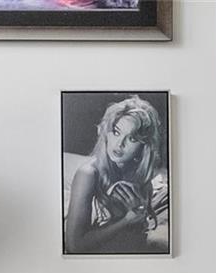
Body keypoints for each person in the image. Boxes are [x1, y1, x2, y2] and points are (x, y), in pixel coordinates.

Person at [64, 95, 168, 254]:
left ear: (143, 146)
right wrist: (126, 221)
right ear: (106, 133)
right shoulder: (88, 174)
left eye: (132, 138)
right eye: (116, 132)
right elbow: (74, 246)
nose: (120, 144)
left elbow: (138, 232)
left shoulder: (140, 175)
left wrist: (138, 217)